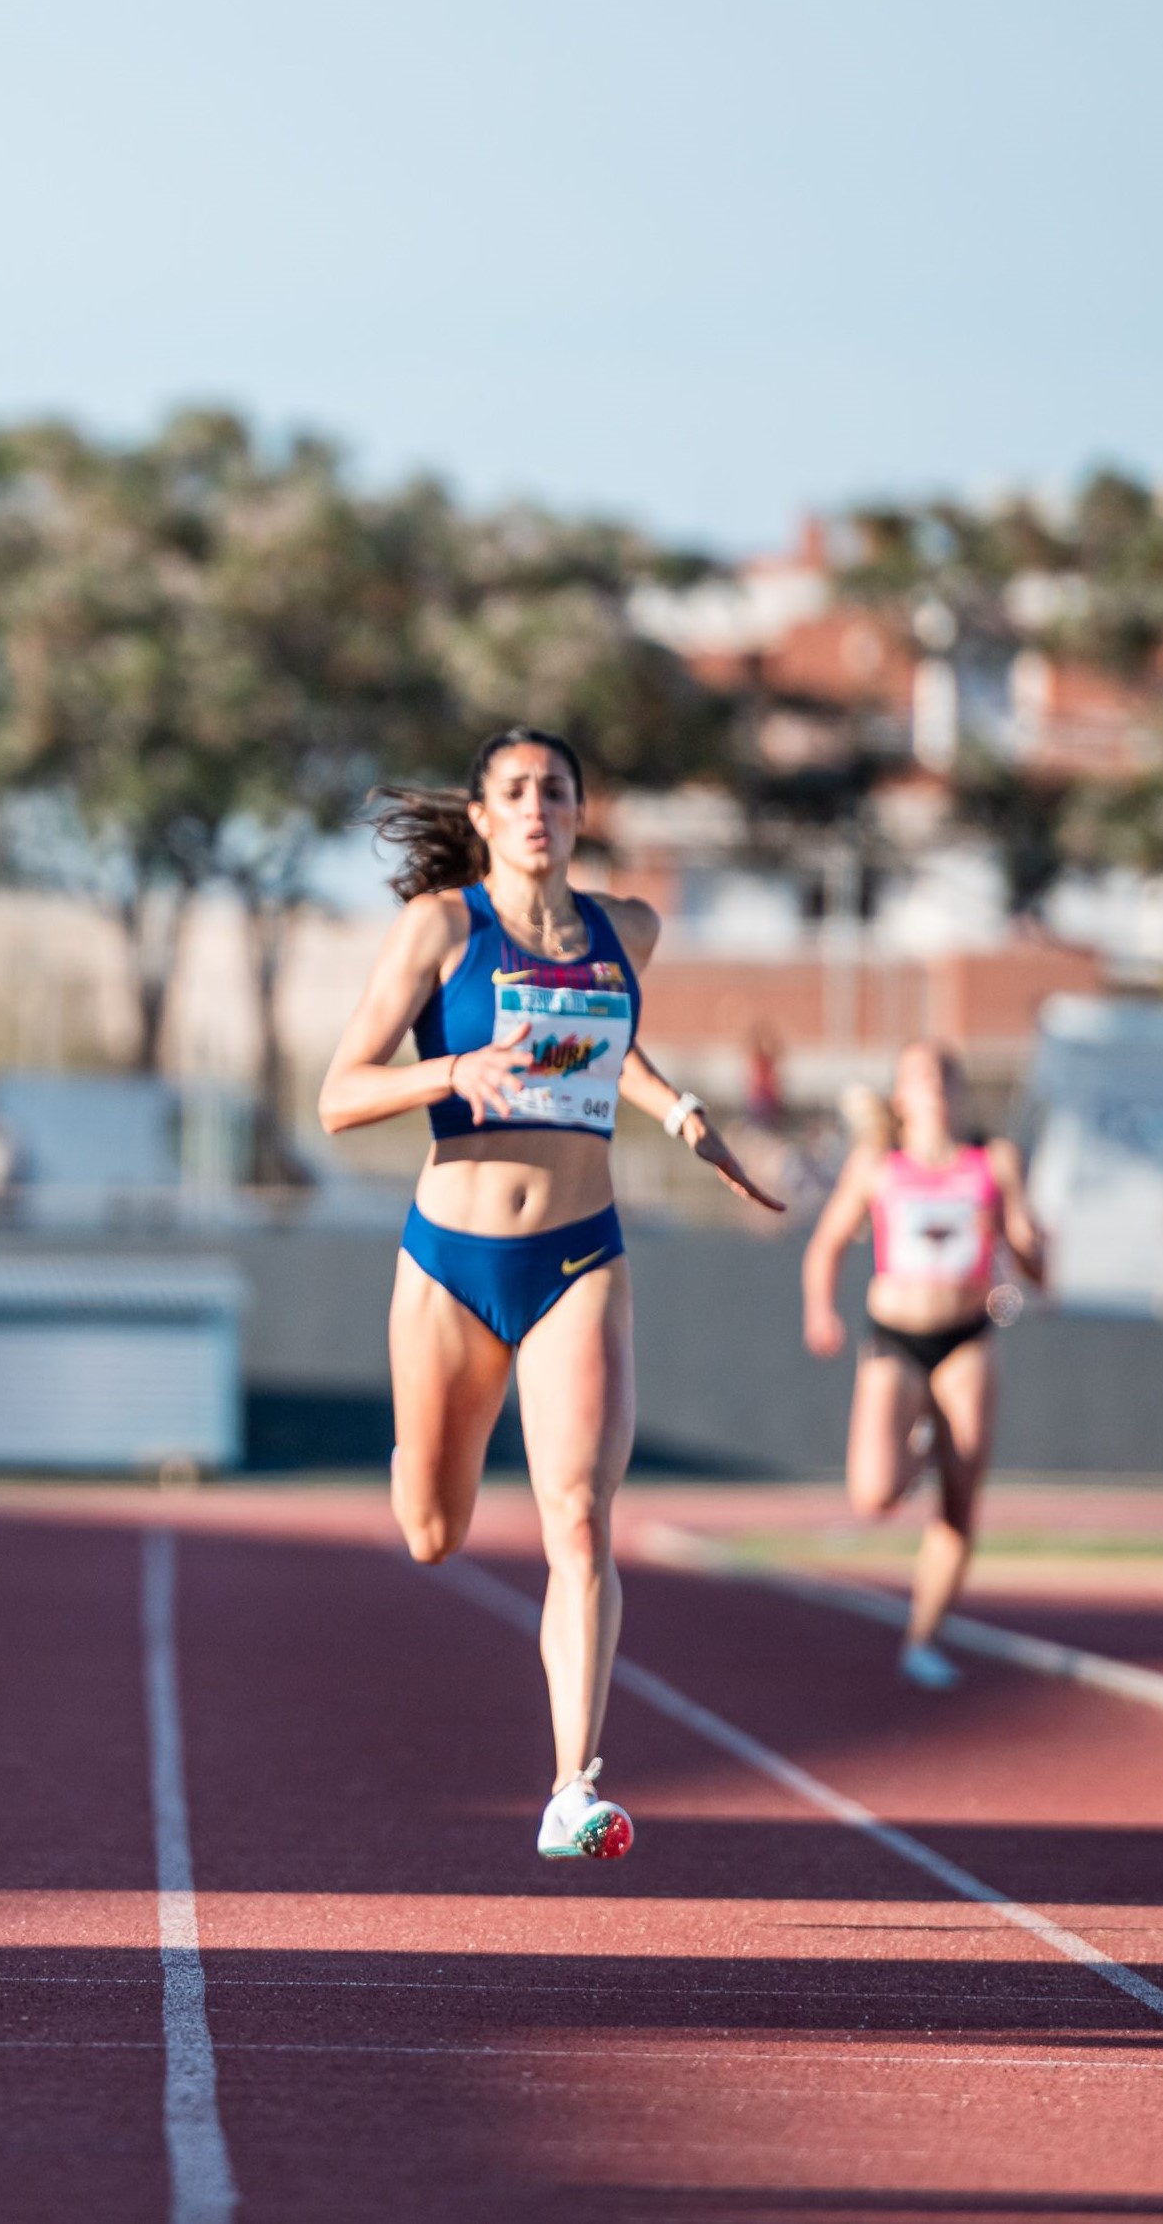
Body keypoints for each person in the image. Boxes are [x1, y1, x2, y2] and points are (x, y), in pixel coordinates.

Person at [317, 728, 783, 1862]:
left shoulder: (629, 930)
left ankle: (573, 1786)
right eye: (515, 791)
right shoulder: (439, 929)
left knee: (578, 1517)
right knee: (433, 1533)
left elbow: (600, 1045)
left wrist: (679, 1112)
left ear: (580, 811)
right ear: (482, 816)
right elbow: (337, 1094)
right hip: (452, 1264)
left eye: (555, 790)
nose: (537, 807)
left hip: (580, 1255)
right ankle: (417, 1461)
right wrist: (451, 1071)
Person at [800, 1040, 1047, 1687]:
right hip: (896, 1339)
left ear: (961, 1090)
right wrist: (820, 1311)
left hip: (967, 1337)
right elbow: (825, 1245)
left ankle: (923, 1638)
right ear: (900, 1096)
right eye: (920, 1076)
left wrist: (1029, 1248)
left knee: (959, 1501)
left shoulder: (993, 1161)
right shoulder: (877, 1164)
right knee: (873, 1492)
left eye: (944, 1075)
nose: (934, 1086)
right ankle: (928, 1443)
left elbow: (1034, 1263)